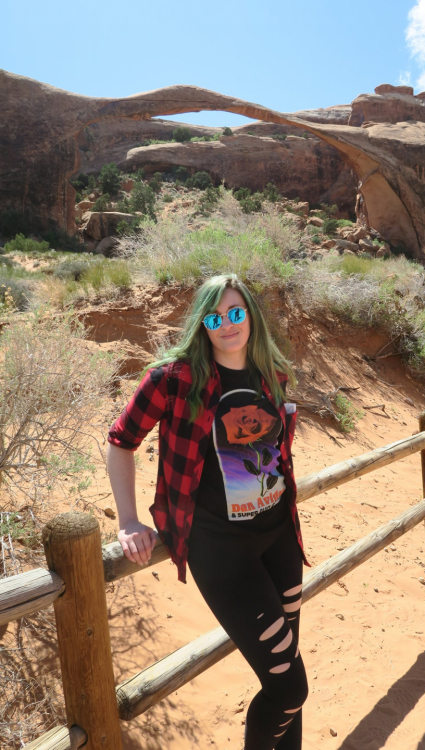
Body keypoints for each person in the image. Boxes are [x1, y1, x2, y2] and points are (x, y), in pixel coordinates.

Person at [107, 273, 310, 749]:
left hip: (279, 540)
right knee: (288, 687)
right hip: (222, 554)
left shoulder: (271, 376)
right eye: (215, 317)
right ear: (203, 325)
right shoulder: (173, 380)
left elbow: (277, 453)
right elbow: (121, 442)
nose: (227, 325)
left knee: (288, 676)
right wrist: (127, 519)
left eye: (236, 313)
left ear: (251, 318)